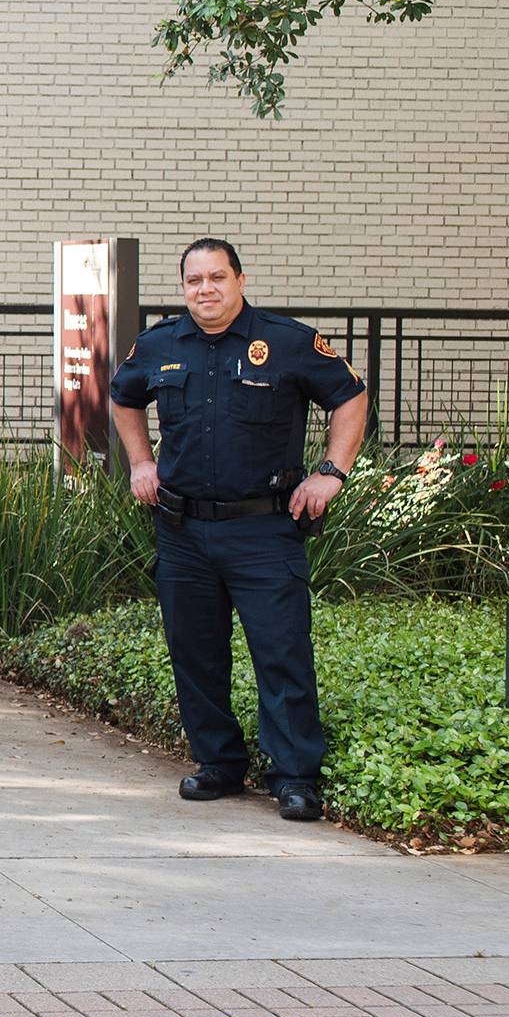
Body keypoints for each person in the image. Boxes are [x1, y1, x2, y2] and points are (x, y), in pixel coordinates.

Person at [109, 238, 366, 823]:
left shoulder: (288, 342)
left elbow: (351, 397)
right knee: (195, 654)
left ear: (240, 280)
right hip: (183, 529)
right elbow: (124, 399)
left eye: (217, 277)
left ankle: (295, 776)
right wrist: (140, 462)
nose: (206, 289)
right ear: (183, 288)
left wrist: (332, 472)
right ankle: (218, 764)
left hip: (264, 529)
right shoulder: (158, 345)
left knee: (281, 653)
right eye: (194, 280)